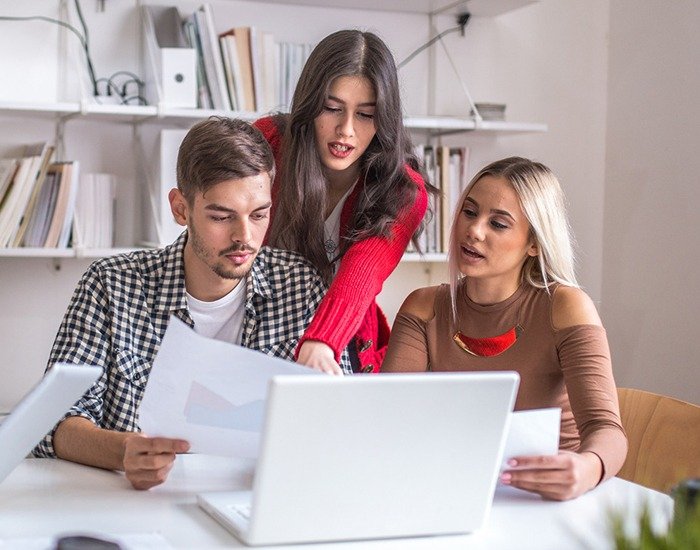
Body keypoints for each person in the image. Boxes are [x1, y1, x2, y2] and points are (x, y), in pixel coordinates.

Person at [33, 117, 348, 490]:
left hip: (254, 499)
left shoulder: (300, 286)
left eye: (259, 215)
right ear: (181, 209)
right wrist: (124, 451)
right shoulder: (111, 284)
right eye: (221, 216)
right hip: (138, 503)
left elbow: (342, 418)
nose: (245, 237)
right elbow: (53, 423)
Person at [382, 157, 627, 501]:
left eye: (498, 223)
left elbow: (607, 430)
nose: (474, 230)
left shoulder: (565, 307)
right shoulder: (423, 307)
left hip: (549, 497)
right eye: (469, 212)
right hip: (456, 487)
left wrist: (587, 468)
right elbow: (389, 418)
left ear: (534, 243)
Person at [254, 29, 429, 376]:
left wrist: (322, 342)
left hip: (339, 347)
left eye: (365, 115)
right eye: (332, 108)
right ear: (309, 105)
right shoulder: (267, 144)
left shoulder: (402, 190)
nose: (346, 129)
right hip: (255, 330)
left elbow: (362, 272)